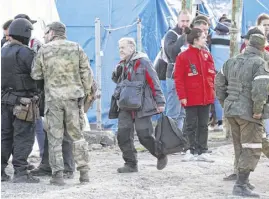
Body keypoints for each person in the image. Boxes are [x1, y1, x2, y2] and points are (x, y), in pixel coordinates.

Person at [31, 21, 93, 185]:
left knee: (55, 138)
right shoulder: (77, 47)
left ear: (51, 33)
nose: (44, 36)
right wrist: (85, 93)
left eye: (46, 33)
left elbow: (36, 74)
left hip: (54, 100)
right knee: (77, 137)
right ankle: (84, 174)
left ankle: (57, 175)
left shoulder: (44, 50)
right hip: (74, 99)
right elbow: (87, 75)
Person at [215, 34, 269, 197]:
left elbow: (218, 83)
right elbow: (260, 89)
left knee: (240, 145)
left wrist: (226, 103)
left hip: (232, 110)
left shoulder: (231, 61)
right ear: (262, 47)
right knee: (252, 147)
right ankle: (240, 185)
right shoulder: (260, 63)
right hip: (249, 113)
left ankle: (242, 180)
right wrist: (258, 110)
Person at [111, 37, 166, 173]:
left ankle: (160, 154)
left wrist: (160, 102)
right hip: (125, 105)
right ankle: (131, 164)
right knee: (123, 135)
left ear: (132, 48)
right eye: (119, 48)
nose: (120, 50)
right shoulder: (122, 64)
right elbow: (116, 80)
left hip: (141, 105)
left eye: (123, 47)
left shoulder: (143, 62)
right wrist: (116, 70)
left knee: (144, 136)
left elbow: (154, 81)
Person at [1, 18, 40, 183]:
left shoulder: (3, 51)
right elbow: (38, 75)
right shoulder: (26, 52)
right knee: (23, 136)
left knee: (6, 136)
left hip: (5, 100)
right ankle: (21, 173)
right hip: (23, 102)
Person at [174, 28, 215, 156]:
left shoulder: (207, 55)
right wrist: (182, 96)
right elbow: (178, 78)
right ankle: (189, 148)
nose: (205, 39)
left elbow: (212, 75)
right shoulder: (183, 56)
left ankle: (202, 148)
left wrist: (212, 91)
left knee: (203, 124)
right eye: (203, 37)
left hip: (206, 96)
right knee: (190, 124)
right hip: (191, 97)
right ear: (196, 40)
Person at [14, 13, 44, 160]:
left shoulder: (6, 46)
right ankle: (21, 162)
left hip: (19, 93)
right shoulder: (34, 44)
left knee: (35, 124)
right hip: (26, 93)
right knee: (33, 125)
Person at [163, 10, 192, 130]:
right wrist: (183, 37)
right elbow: (171, 52)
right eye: (182, 21)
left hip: (188, 77)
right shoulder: (171, 34)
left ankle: (177, 140)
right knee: (173, 112)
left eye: (187, 21)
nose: (185, 24)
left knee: (182, 114)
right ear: (178, 21)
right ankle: (169, 140)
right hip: (174, 76)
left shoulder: (193, 34)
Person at [209, 19, 232, 132]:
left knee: (217, 98)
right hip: (229, 71)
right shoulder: (233, 37)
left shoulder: (212, 36)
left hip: (216, 71)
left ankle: (219, 122)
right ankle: (226, 122)